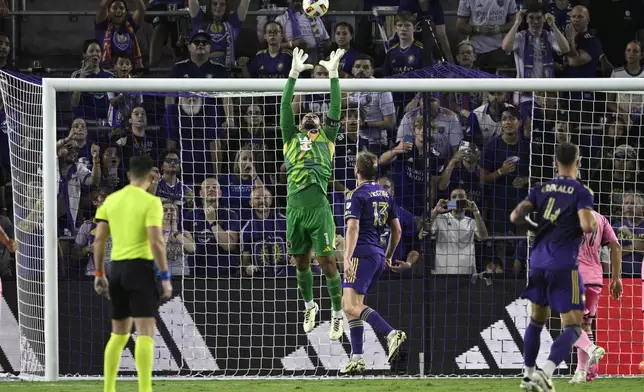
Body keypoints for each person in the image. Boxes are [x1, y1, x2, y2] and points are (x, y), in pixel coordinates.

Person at [510, 142, 598, 392]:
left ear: (554, 162)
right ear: (578, 163)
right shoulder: (581, 191)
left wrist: (538, 228)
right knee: (573, 326)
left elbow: (515, 217)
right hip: (563, 263)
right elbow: (587, 225)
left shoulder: (541, 189)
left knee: (536, 321)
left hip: (537, 261)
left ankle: (527, 376)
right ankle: (545, 372)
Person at [92, 155, 173, 392]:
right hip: (140, 269)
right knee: (146, 331)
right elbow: (157, 242)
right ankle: (145, 389)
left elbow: (98, 241)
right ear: (150, 177)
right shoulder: (151, 202)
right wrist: (166, 277)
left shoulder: (111, 201)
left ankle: (108, 389)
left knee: (118, 334)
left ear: (128, 175)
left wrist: (99, 273)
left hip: (116, 270)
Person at [280, 47, 345, 340]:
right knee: (301, 263)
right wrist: (293, 73)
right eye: (305, 115)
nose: (309, 118)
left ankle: (337, 313)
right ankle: (310, 305)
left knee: (327, 263)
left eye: (314, 118)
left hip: (319, 210)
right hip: (295, 210)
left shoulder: (328, 140)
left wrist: (333, 74)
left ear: (321, 125)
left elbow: (335, 107)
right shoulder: (290, 137)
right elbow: (284, 107)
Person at [339, 151, 406, 375]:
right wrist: (388, 255)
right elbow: (397, 229)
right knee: (351, 306)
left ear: (356, 171)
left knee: (350, 306)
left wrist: (347, 257)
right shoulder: (385, 194)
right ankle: (357, 358)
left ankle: (390, 333)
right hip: (377, 254)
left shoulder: (356, 194)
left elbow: (353, 228)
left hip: (360, 254)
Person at [569, 210, 622, 383]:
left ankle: (592, 349)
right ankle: (581, 372)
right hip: (595, 279)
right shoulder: (601, 218)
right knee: (585, 324)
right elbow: (615, 245)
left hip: (574, 275)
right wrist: (616, 278)